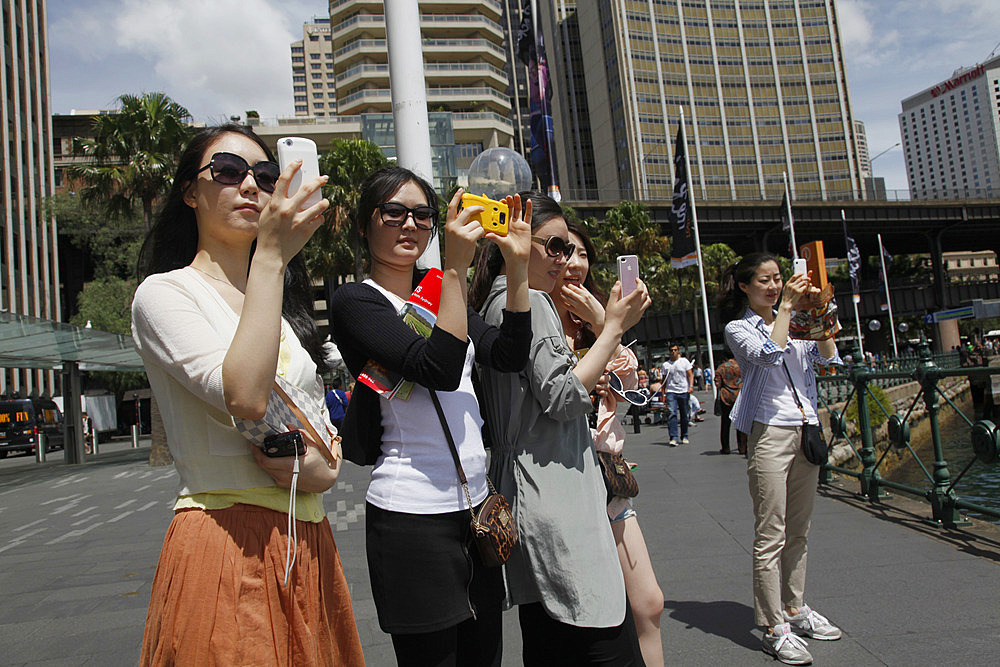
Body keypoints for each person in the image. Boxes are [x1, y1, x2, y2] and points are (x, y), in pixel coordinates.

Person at [131, 124, 363, 665]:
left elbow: (319, 421)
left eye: (262, 176)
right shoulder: (164, 294)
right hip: (226, 535)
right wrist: (273, 257)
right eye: (229, 173)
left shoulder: (274, 305)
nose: (250, 188)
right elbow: (244, 397)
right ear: (190, 192)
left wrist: (327, 469)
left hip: (308, 538)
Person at [328, 166, 533, 667]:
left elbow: (507, 355)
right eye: (393, 212)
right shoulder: (357, 301)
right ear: (364, 224)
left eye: (422, 214)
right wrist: (457, 270)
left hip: (476, 509)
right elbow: (437, 368)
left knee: (485, 657)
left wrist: (519, 270)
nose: (410, 225)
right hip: (410, 518)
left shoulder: (441, 288)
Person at [470, 192, 651, 666]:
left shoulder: (496, 305)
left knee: (551, 640)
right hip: (558, 493)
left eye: (568, 248)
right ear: (516, 241)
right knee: (603, 635)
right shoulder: (531, 303)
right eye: (553, 245)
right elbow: (566, 396)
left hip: (527, 489)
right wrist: (612, 327)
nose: (564, 258)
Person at [546, 219, 665, 666]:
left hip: (610, 478)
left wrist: (603, 322)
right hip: (567, 480)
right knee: (582, 623)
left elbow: (633, 391)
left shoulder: (596, 322)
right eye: (563, 250)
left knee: (648, 603)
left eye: (581, 254)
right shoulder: (533, 317)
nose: (573, 263)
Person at [719, 252, 843, 665]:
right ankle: (774, 625)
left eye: (778, 280)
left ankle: (795, 608)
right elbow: (768, 356)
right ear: (744, 286)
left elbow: (828, 361)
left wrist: (820, 313)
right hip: (769, 432)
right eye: (765, 281)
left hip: (805, 428)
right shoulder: (739, 327)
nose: (773, 287)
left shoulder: (799, 320)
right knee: (770, 532)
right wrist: (787, 308)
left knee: (800, 530)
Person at [715, 349, 748, 456]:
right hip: (739, 396)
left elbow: (717, 384)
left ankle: (726, 448)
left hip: (726, 397)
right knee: (740, 422)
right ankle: (742, 447)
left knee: (725, 423)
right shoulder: (741, 366)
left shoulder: (721, 368)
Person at [661, 345, 694, 446]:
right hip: (671, 391)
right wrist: (663, 394)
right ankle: (673, 437)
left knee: (684, 414)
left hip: (683, 390)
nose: (673, 352)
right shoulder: (666, 365)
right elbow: (663, 381)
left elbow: (690, 374)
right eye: (671, 350)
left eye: (675, 350)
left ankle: (684, 435)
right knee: (672, 414)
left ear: (678, 351)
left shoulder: (684, 361)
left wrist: (691, 386)